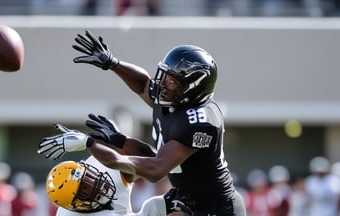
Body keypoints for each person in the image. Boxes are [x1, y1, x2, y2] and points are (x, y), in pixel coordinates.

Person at [38, 29, 246, 215]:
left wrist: (89, 144)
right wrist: (112, 63)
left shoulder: (201, 122)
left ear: (192, 87)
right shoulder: (172, 100)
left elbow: (156, 169)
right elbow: (142, 85)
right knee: (152, 208)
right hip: (185, 199)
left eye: (172, 80)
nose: (162, 84)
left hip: (216, 209)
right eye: (164, 76)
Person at [44, 153, 193, 216]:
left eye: (88, 177)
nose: (94, 184)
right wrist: (161, 204)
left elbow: (143, 159)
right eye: (84, 189)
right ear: (76, 205)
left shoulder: (101, 165)